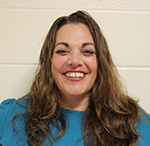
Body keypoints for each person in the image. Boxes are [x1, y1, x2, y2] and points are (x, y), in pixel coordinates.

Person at [0, 10, 150, 146]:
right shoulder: (9, 115)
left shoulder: (136, 123)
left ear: (101, 62)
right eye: (63, 51)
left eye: (87, 51)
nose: (75, 61)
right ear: (49, 61)